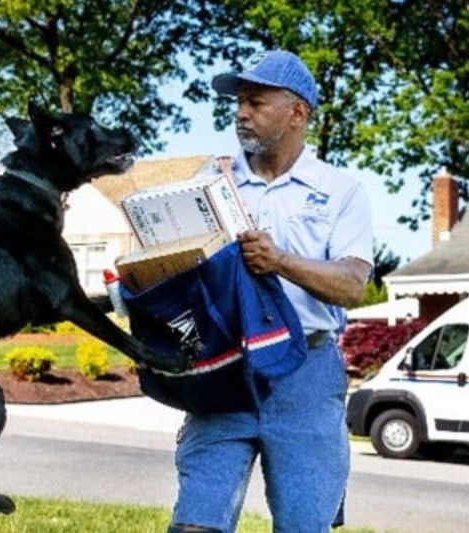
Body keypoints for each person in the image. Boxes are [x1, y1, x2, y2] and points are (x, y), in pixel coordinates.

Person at [167, 51, 373, 533]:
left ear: (297, 113)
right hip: (226, 371)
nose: (241, 113)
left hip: (307, 375)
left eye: (256, 102)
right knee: (195, 525)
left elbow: (352, 284)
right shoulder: (211, 182)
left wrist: (279, 261)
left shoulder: (340, 191)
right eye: (239, 102)